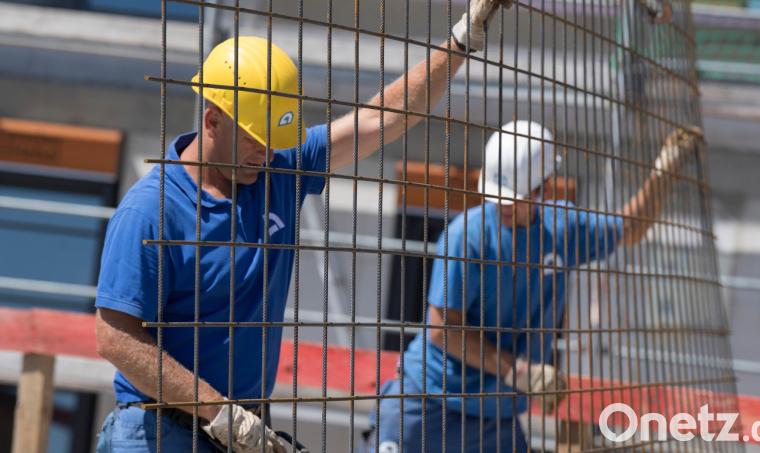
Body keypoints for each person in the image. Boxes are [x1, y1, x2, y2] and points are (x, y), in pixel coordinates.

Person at [93, 1, 512, 452]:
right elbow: (114, 337)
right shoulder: (151, 211)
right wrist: (219, 412)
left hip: (234, 431)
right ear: (212, 120)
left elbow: (380, 117)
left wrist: (461, 40)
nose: (266, 153)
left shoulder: (276, 170)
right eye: (256, 140)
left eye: (274, 142)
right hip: (156, 431)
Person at [372, 120, 701, 452]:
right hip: (428, 403)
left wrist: (664, 172)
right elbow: (443, 330)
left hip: (495, 417)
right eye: (497, 195)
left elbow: (629, 228)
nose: (504, 205)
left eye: (515, 197)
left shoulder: (562, 229)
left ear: (543, 186)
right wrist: (519, 372)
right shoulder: (466, 236)